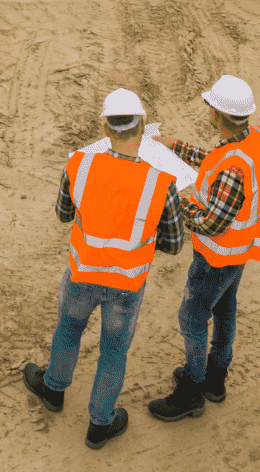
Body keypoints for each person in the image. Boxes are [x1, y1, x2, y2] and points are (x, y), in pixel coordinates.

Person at [23, 87, 197, 449]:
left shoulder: (78, 166)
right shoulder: (160, 185)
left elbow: (63, 214)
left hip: (82, 273)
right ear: (143, 127)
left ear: (105, 127)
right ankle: (100, 424)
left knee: (68, 330)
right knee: (114, 352)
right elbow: (175, 244)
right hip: (126, 285)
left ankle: (53, 389)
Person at [147, 74, 260, 422]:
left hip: (215, 257)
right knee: (224, 309)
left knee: (191, 319)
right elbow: (216, 159)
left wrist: (176, 201)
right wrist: (175, 146)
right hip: (239, 252)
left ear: (217, 114)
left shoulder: (232, 172)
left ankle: (192, 391)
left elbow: (210, 223)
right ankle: (215, 380)